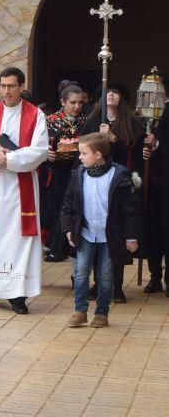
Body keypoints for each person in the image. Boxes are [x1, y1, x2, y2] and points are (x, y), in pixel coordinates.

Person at [0, 67, 48, 315]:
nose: (6, 91)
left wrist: (10, 160)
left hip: (20, 187)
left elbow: (40, 150)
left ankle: (17, 294)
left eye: (11, 86)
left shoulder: (36, 115)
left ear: (21, 86)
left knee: (19, 238)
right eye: (2, 86)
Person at [61, 133, 141, 328]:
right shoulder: (78, 175)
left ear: (97, 155)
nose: (79, 157)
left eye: (83, 153)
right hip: (86, 233)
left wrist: (131, 237)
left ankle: (101, 313)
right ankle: (80, 311)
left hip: (110, 236)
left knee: (106, 275)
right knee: (80, 273)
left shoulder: (119, 175)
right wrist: (69, 229)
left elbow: (131, 210)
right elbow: (68, 206)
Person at [79, 82, 145, 303]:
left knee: (116, 234)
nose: (111, 96)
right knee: (97, 233)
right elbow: (85, 149)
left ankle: (116, 285)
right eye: (109, 92)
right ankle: (98, 282)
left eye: (116, 93)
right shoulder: (92, 122)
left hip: (120, 184)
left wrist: (114, 139)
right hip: (96, 183)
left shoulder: (132, 124)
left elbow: (135, 153)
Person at [42, 84, 87, 263]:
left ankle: (72, 247)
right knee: (59, 207)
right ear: (63, 102)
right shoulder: (50, 120)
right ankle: (56, 247)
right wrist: (46, 152)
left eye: (80, 103)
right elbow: (38, 142)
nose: (77, 107)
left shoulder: (87, 120)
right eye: (72, 102)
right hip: (56, 169)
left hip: (80, 168)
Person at [143, 101, 169, 295]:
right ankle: (154, 277)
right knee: (152, 230)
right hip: (151, 182)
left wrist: (157, 143)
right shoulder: (148, 113)